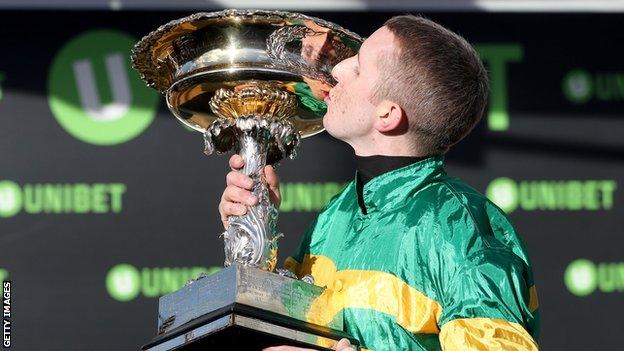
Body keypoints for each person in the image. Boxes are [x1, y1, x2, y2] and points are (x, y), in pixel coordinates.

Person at [219, 15, 540, 351]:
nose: (338, 69)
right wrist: (253, 233)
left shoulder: (461, 229)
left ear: (388, 114)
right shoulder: (336, 213)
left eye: (357, 67)